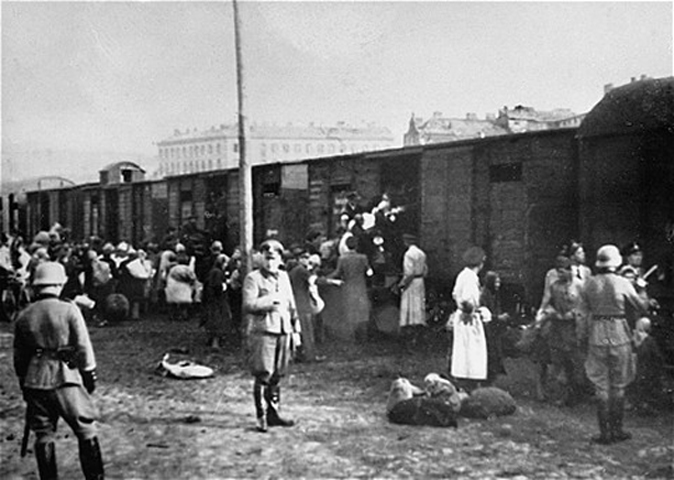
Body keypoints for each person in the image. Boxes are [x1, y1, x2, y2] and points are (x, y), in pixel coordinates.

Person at [13, 262, 104, 479]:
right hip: (66, 377)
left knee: (44, 434)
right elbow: (82, 346)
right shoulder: (69, 309)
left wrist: (23, 381)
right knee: (85, 428)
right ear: (58, 284)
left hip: (35, 379)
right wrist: (89, 373)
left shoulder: (24, 314)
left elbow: (20, 356)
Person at [579, 244, 650, 444]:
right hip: (618, 332)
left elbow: (582, 315)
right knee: (619, 385)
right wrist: (642, 289)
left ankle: (604, 433)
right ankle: (617, 429)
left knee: (601, 385)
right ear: (616, 263)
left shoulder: (589, 284)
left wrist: (582, 339)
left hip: (597, 332)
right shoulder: (622, 282)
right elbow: (641, 307)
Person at [243, 239, 300, 433]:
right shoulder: (253, 278)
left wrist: (296, 330)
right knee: (263, 374)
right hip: (264, 331)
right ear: (261, 258)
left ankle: (273, 413)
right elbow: (248, 305)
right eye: (266, 258)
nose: (269, 262)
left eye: (273, 258)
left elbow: (291, 305)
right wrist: (269, 301)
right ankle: (261, 418)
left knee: (278, 374)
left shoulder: (284, 277)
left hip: (284, 331)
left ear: (280, 259)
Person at [540, 256, 585, 406]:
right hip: (558, 328)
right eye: (558, 272)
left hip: (574, 329)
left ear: (570, 270)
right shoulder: (555, 286)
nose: (560, 275)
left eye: (563, 272)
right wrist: (553, 312)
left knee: (574, 362)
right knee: (558, 361)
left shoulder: (579, 286)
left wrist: (573, 314)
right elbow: (548, 303)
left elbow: (584, 307)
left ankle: (575, 395)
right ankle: (561, 395)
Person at [448, 246, 491, 392]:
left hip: (462, 316)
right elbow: (467, 300)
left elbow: (455, 294)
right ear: (481, 262)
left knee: (464, 349)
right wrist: (471, 311)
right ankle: (468, 383)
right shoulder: (471, 278)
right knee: (471, 350)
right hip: (468, 319)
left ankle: (465, 381)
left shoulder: (463, 275)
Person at [328, 235, 373, 342]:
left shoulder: (342, 258)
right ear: (356, 246)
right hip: (360, 287)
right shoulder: (363, 257)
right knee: (362, 312)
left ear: (347, 245)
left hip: (348, 287)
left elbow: (337, 273)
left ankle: (351, 337)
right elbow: (369, 272)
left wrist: (326, 277)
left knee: (350, 311)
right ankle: (363, 337)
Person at [398, 233, 428, 350]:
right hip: (420, 282)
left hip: (411, 283)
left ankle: (410, 339)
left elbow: (409, 273)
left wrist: (402, 285)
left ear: (406, 242)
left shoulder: (408, 254)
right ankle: (419, 336)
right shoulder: (421, 253)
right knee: (418, 308)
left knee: (409, 308)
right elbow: (425, 270)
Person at [480, 271, 510, 385]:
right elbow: (484, 312)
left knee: (495, 353)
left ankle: (491, 378)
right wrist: (498, 317)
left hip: (494, 329)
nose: (498, 284)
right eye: (496, 281)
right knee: (490, 353)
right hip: (487, 329)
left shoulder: (494, 294)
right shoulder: (484, 294)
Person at [201, 253, 232, 349]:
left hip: (211, 301)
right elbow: (217, 286)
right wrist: (225, 284)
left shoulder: (213, 271)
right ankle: (215, 343)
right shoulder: (218, 272)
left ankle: (211, 340)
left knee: (213, 321)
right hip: (217, 301)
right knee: (217, 322)